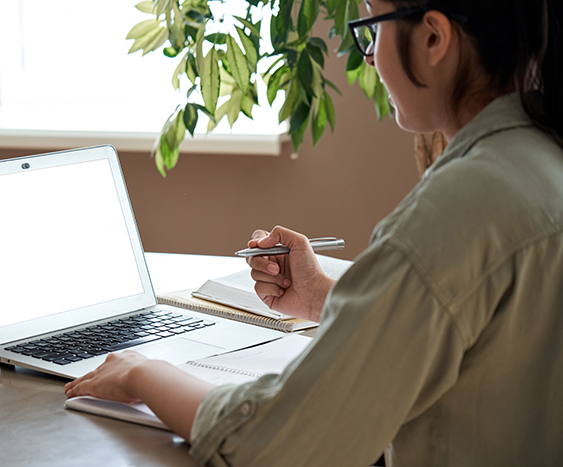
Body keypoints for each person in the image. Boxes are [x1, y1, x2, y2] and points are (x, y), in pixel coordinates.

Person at [65, 0, 563, 464]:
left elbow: (277, 442)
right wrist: (325, 298)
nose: (368, 58)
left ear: (433, 38)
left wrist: (144, 371)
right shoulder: (542, 159)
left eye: (371, 27)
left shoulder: (456, 211)